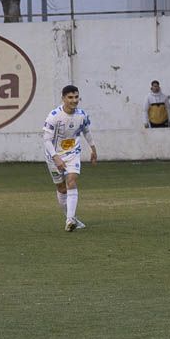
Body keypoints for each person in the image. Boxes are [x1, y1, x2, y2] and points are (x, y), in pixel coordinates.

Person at [42, 84, 97, 232]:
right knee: (61, 188)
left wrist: (93, 148)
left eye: (76, 97)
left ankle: (70, 219)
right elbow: (46, 140)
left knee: (71, 181)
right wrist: (56, 157)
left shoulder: (81, 115)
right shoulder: (54, 116)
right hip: (54, 156)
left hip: (73, 153)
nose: (74, 100)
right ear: (63, 98)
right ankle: (71, 218)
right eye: (70, 97)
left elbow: (86, 130)